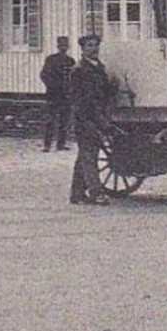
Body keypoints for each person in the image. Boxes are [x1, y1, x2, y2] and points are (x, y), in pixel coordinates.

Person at [68, 34, 116, 206]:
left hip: (95, 117)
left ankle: (77, 193)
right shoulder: (79, 70)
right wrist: (100, 122)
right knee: (89, 156)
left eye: (96, 45)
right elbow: (85, 101)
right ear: (83, 49)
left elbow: (103, 94)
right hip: (85, 119)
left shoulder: (98, 68)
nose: (94, 48)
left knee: (84, 156)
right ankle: (96, 193)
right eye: (89, 45)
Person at [38, 36, 76, 153]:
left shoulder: (71, 61)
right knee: (50, 121)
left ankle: (61, 144)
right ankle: (47, 145)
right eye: (61, 46)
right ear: (58, 47)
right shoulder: (51, 59)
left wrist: (70, 89)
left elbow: (73, 78)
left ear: (68, 47)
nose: (63, 48)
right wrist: (53, 86)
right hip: (53, 94)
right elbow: (44, 75)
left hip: (66, 96)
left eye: (65, 46)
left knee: (64, 121)